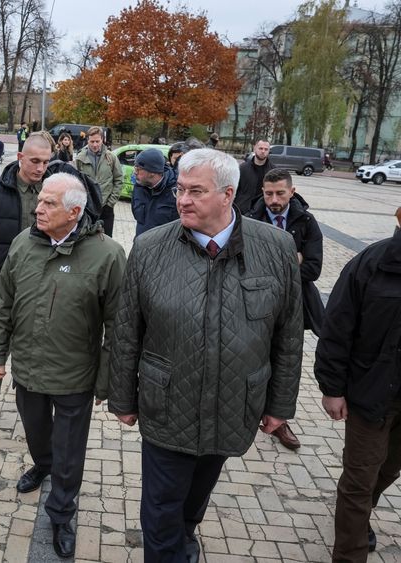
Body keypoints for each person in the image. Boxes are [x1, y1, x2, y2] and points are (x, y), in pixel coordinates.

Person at [108, 148, 303, 563]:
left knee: (195, 497)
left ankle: (186, 534)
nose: (182, 199)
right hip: (166, 406)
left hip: (233, 404)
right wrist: (122, 398)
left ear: (228, 195)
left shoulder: (276, 247)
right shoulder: (149, 248)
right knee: (160, 510)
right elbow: (127, 331)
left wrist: (280, 404)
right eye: (180, 189)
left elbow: (288, 335)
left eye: (196, 191)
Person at [0, 172, 125, 559]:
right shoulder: (22, 245)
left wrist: (106, 381)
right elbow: (4, 305)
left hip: (74, 377)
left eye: (49, 203)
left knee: (69, 452)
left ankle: (62, 512)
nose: (38, 208)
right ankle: (41, 464)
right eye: (40, 200)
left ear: (75, 212)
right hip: (28, 371)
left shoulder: (108, 255)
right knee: (37, 436)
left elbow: (119, 325)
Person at [0, 135, 103, 429]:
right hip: (2, 286)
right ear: (20, 158)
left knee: (38, 344)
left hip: (46, 285)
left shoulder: (55, 191)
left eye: (46, 161)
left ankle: (35, 397)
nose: (41, 168)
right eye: (35, 161)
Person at [314, 208, 401, 562]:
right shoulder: (372, 263)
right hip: (371, 394)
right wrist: (332, 388)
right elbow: (336, 327)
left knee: (389, 468)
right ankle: (349, 553)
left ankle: (360, 514)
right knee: (359, 479)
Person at [245, 168, 323, 450]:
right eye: (268, 193)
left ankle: (279, 418)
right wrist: (292, 260)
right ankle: (248, 412)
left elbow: (313, 268)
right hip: (255, 304)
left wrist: (273, 269)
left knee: (285, 362)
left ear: (292, 191)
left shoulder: (307, 221)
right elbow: (244, 266)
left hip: (294, 307)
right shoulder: (250, 218)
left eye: (280, 193)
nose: (274, 200)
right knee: (254, 356)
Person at [73, 126, 123, 236]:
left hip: (106, 207)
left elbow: (119, 180)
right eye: (92, 141)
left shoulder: (111, 158)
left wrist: (111, 203)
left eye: (97, 141)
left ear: (102, 140)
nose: (95, 145)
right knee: (86, 239)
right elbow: (76, 182)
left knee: (106, 239)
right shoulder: (80, 159)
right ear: (88, 140)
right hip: (88, 208)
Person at [131, 148, 178, 236]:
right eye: (135, 168)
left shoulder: (176, 192)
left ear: (152, 172)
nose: (135, 173)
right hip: (141, 244)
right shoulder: (139, 186)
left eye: (138, 169)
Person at [235, 139, 274, 212]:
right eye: (260, 148)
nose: (263, 151)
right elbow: (235, 190)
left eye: (266, 149)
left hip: (263, 212)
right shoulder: (242, 168)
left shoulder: (273, 171)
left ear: (269, 151)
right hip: (242, 210)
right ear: (255, 148)